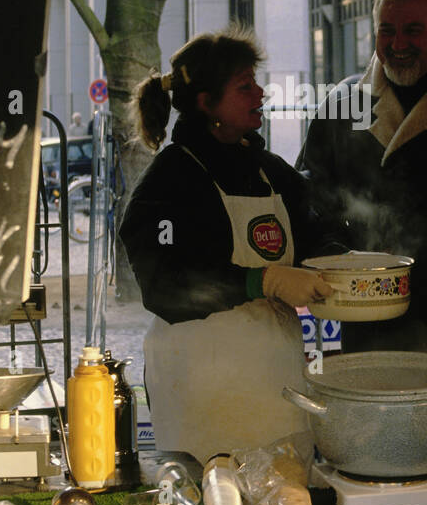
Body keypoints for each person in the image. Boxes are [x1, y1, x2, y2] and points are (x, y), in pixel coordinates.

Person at [119, 28, 337, 464]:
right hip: (202, 391)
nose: (260, 92)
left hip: (275, 383)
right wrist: (264, 280)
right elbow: (165, 287)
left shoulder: (266, 169)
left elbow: (318, 233)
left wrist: (349, 266)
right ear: (206, 102)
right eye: (244, 86)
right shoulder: (169, 181)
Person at [297, 0, 427, 352]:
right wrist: (339, 257)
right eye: (386, 31)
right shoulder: (343, 104)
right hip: (366, 310)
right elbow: (311, 198)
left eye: (413, 30)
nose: (398, 44)